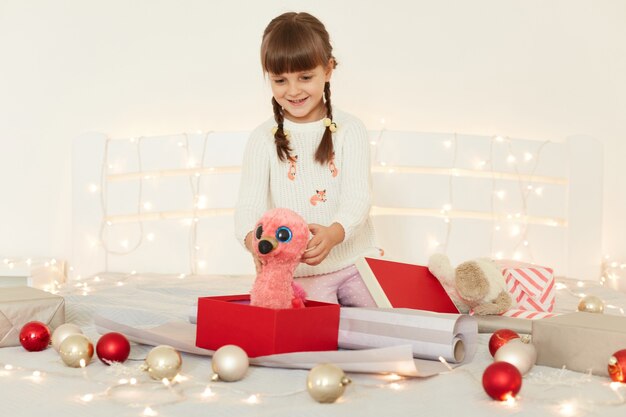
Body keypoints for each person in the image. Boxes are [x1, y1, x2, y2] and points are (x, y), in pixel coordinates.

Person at [234, 12, 378, 307]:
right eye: (280, 80)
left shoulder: (350, 130)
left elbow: (358, 197)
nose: (293, 90)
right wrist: (256, 245)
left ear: (328, 69)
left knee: (385, 322)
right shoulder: (263, 139)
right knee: (318, 336)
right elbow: (248, 207)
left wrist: (335, 233)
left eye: (305, 77)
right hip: (302, 274)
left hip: (356, 265)